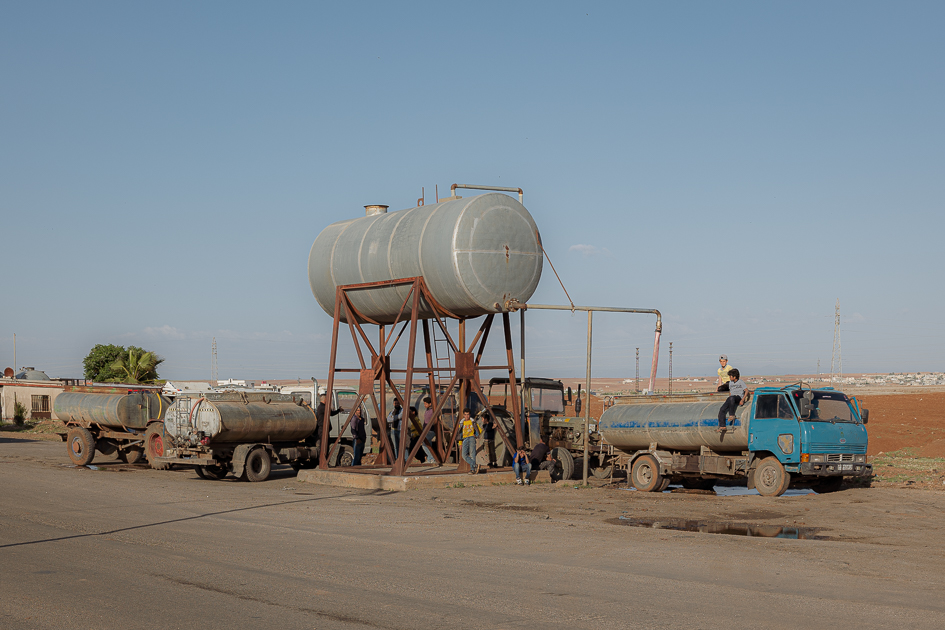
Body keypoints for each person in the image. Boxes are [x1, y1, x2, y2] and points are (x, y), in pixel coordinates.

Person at [718, 368, 748, 433]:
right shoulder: (730, 383)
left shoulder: (741, 382)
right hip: (731, 398)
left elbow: (746, 391)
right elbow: (730, 392)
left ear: (734, 377)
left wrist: (742, 400)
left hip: (738, 397)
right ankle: (722, 426)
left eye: (730, 376)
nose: (729, 377)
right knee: (722, 409)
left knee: (732, 398)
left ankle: (732, 415)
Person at [458, 409, 480, 474]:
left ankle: (472, 470)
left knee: (472, 454)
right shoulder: (461, 423)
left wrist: (476, 435)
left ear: (470, 415)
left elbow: (479, 430)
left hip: (471, 438)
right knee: (464, 455)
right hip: (465, 439)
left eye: (468, 414)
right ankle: (475, 465)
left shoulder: (473, 422)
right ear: (463, 415)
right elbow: (460, 434)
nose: (466, 416)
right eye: (465, 414)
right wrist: (460, 443)